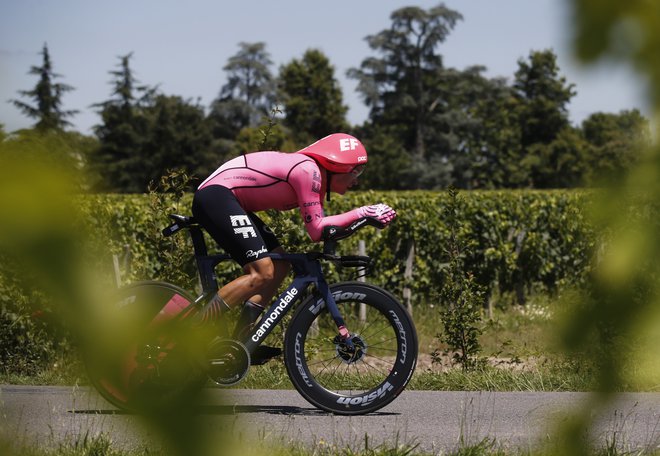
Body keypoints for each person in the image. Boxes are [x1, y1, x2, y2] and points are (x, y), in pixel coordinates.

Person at [191, 133, 396, 364]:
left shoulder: (313, 174)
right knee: (262, 271)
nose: (357, 180)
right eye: (355, 171)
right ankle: (192, 330)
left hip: (231, 199)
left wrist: (363, 218)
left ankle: (241, 341)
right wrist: (363, 212)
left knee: (279, 265)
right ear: (335, 166)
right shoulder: (309, 172)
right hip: (217, 195)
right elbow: (316, 231)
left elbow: (320, 230)